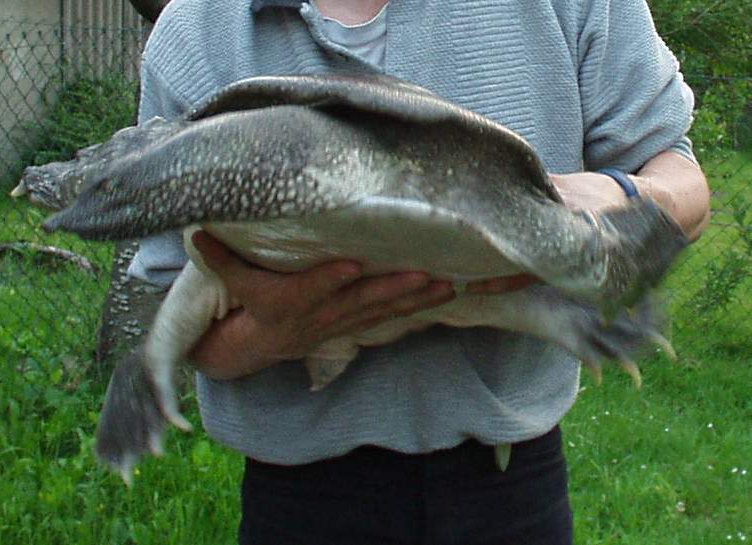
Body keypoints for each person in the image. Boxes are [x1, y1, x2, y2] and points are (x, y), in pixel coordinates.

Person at [127, 0, 711, 543]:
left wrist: (616, 195)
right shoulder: (199, 25)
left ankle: (563, 318)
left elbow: (684, 187)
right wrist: (274, 333)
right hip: (299, 495)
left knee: (481, 288)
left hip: (510, 485)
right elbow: (172, 297)